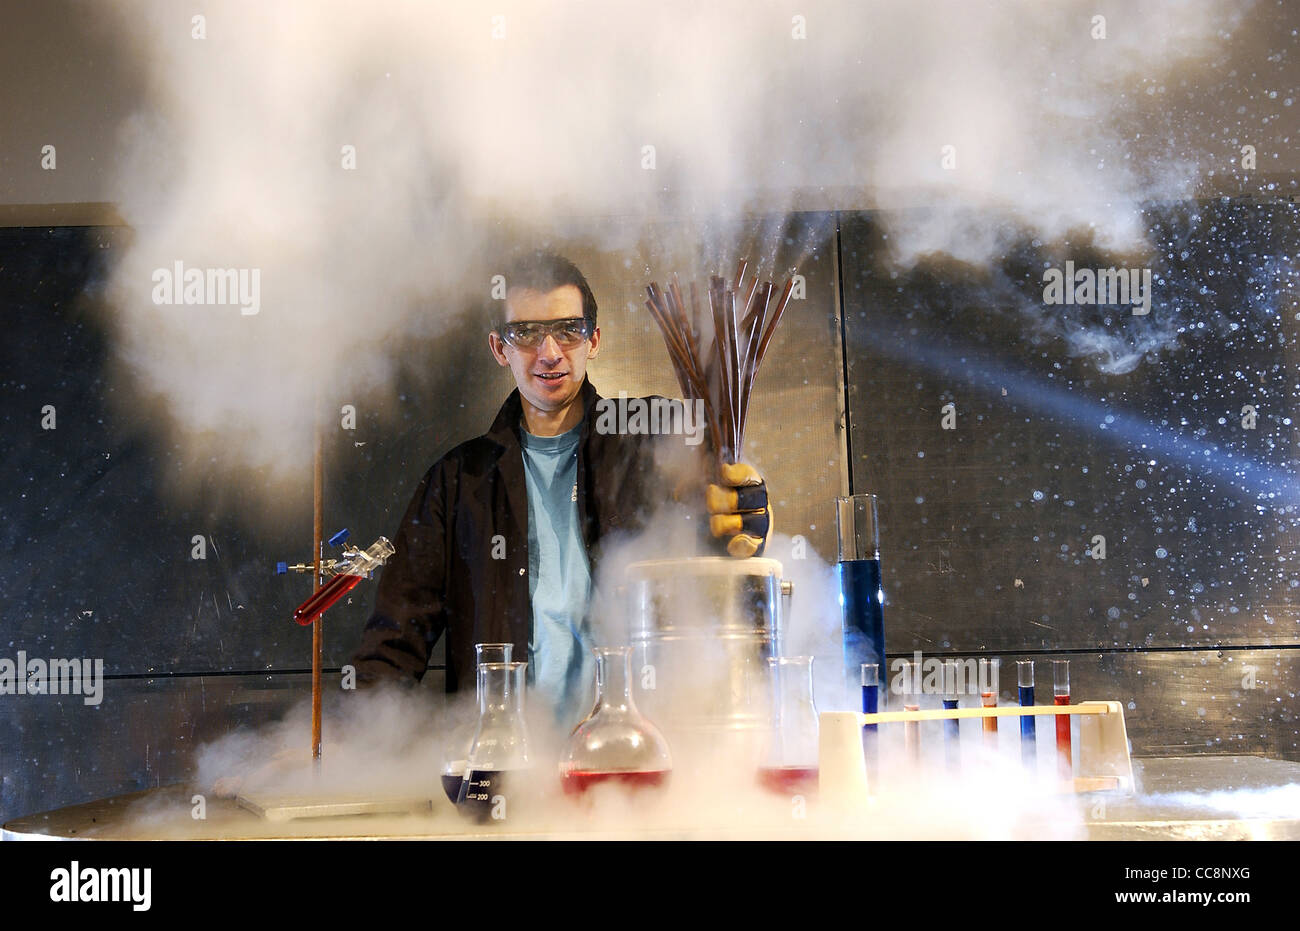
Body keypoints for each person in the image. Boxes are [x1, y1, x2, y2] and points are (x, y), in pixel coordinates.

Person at [349, 252, 770, 719]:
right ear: (498, 348)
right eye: (525, 333)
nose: (549, 352)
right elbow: (392, 647)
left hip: (638, 753)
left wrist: (743, 511)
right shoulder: (457, 482)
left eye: (569, 329)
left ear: (594, 339)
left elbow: (724, 533)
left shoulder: (654, 440)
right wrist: (354, 747)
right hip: (506, 764)